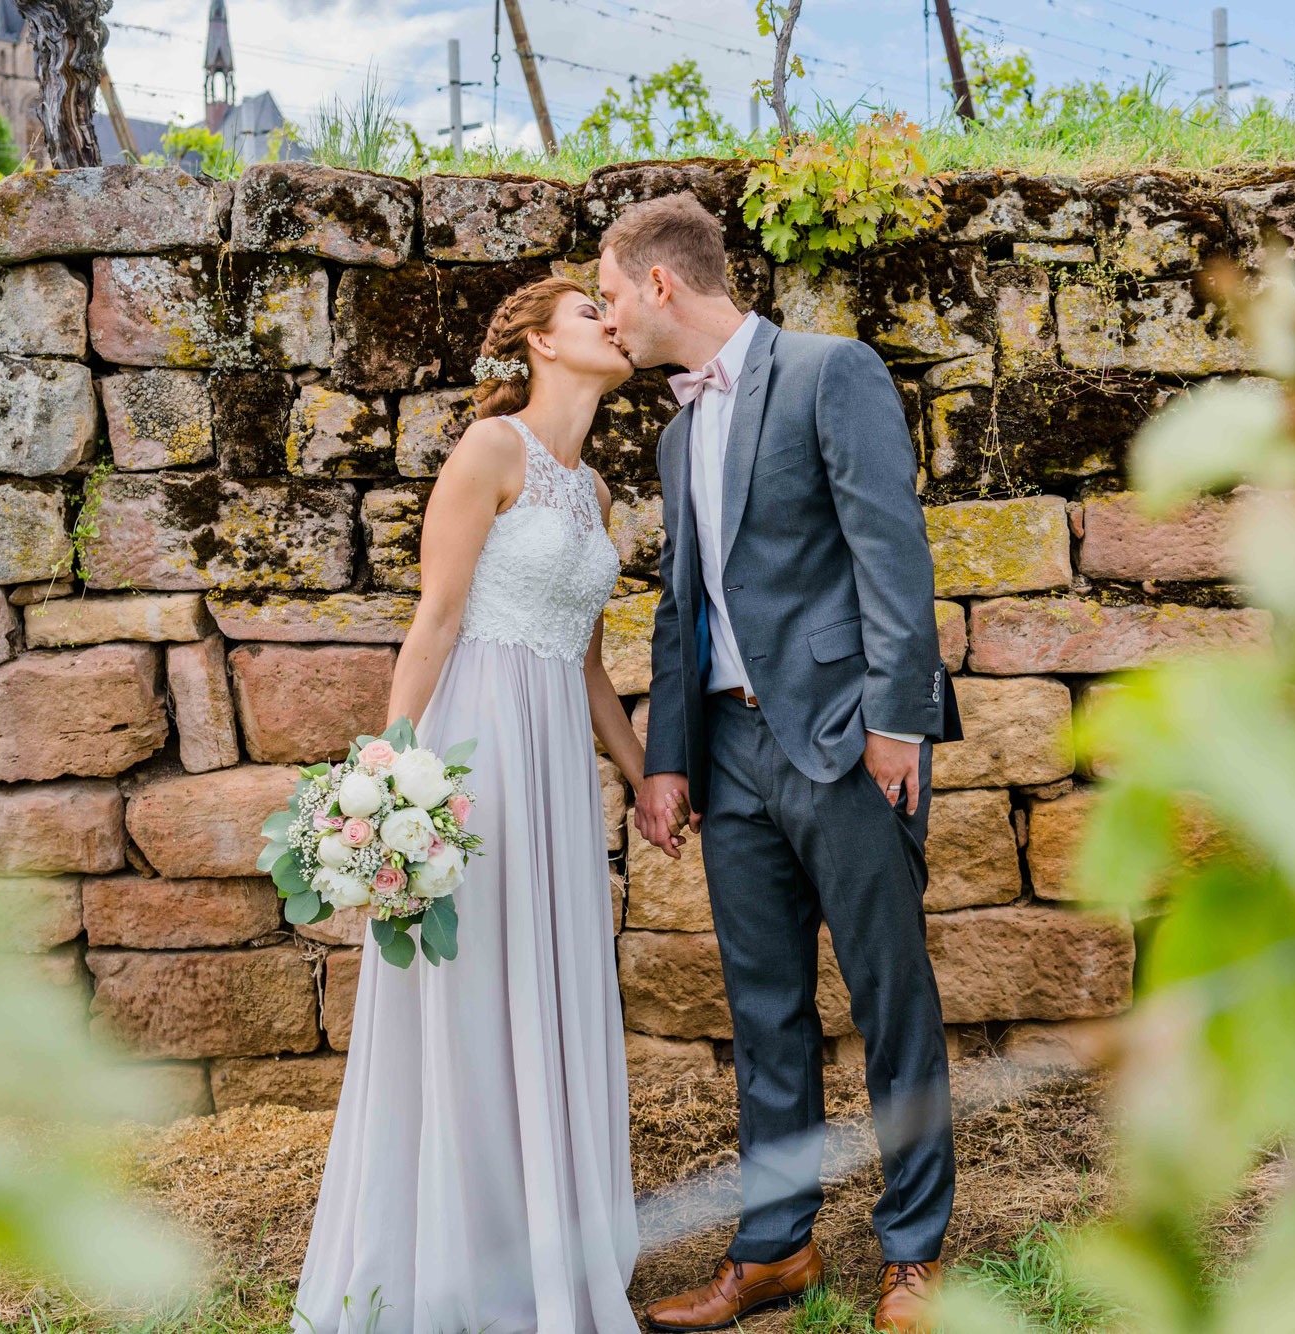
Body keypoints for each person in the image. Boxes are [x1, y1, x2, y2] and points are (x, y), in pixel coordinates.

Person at [598, 193, 962, 1334]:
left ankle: (912, 1254)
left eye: (610, 293)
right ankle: (774, 1248)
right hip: (731, 754)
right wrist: (665, 758)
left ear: (662, 282)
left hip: (844, 737)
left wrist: (894, 722)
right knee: (763, 1011)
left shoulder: (826, 370)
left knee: (888, 995)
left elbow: (889, 555)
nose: (607, 319)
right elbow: (679, 604)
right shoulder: (671, 430)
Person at [291, 277, 645, 1334]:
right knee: (475, 985)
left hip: (554, 762)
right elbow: (436, 616)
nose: (612, 323)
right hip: (475, 743)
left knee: (546, 978)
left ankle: (540, 1250)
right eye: (590, 312)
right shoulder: (489, 452)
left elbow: (585, 665)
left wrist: (640, 771)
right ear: (539, 341)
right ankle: (450, 1259)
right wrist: (391, 774)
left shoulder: (593, 494)